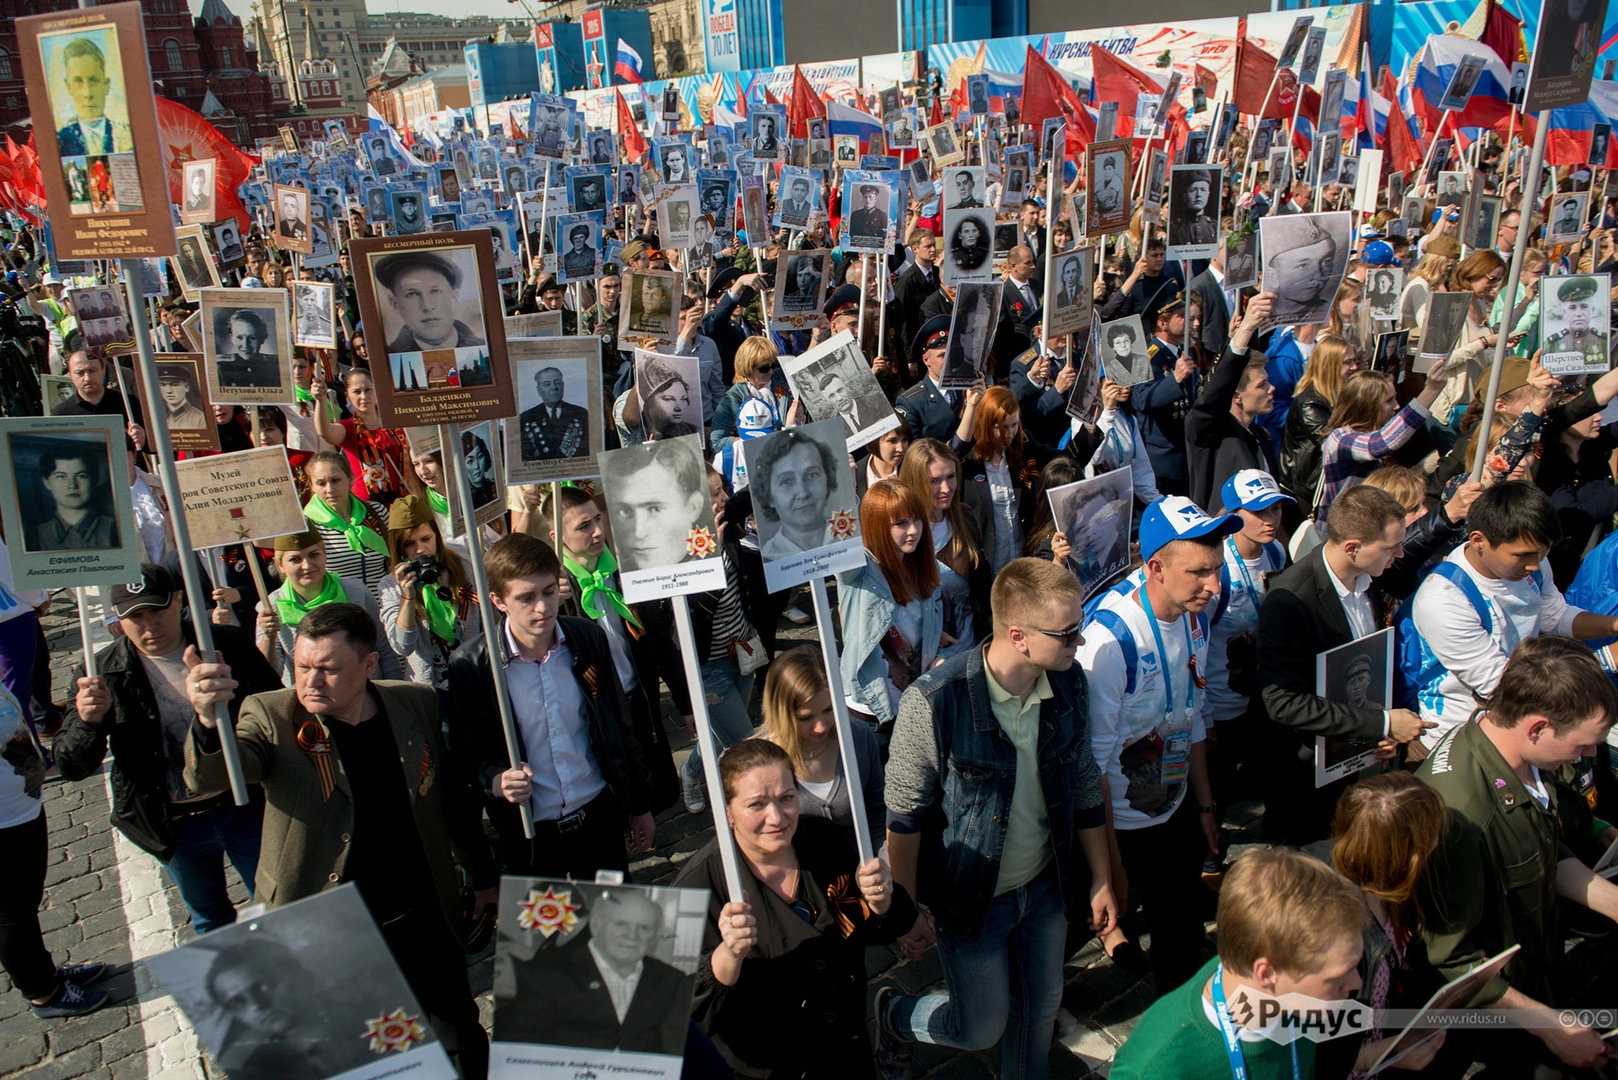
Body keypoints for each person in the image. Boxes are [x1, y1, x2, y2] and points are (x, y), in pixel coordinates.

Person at [183, 603, 497, 1080]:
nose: (310, 681)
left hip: (423, 915)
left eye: (328, 669)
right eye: (302, 666)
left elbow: (448, 800)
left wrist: (482, 875)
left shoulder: (415, 703)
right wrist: (210, 723)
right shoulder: (270, 715)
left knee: (460, 1036)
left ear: (369, 664)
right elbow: (216, 774)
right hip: (331, 928)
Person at [878, 558, 1117, 1080]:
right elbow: (904, 816)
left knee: (1038, 1014)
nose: (1080, 641)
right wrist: (905, 908)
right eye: (1068, 633)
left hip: (1047, 888)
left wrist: (1101, 878)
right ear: (1019, 637)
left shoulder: (1070, 684)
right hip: (972, 901)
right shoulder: (934, 703)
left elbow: (1082, 783)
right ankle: (895, 1014)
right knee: (980, 1028)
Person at [1418, 637, 1618, 1075]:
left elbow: (1535, 844)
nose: (1590, 755)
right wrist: (1551, 1029)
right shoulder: (1459, 817)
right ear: (1538, 728)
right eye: (1583, 745)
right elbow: (1452, 960)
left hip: (1532, 978)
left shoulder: (1511, 753)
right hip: (1482, 1029)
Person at [55, 565, 279, 934]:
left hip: (244, 807)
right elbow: (72, 764)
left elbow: (275, 709)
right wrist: (88, 722)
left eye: (156, 610)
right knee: (211, 919)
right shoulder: (101, 672)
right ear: (118, 619)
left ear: (177, 600)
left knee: (278, 902)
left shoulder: (224, 645)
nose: (149, 626)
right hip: (172, 822)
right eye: (135, 616)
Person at [678, 740, 912, 1075]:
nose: (776, 817)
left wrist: (882, 901)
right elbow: (678, 1014)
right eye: (756, 804)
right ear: (727, 811)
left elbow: (877, 926)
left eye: (786, 798)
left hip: (846, 1050)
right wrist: (727, 956)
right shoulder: (697, 887)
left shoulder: (824, 840)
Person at [1079, 498, 1235, 994]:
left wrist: (1204, 804)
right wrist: (1111, 867)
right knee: (1115, 916)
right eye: (1199, 572)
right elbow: (1093, 766)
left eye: (1217, 568)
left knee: (1182, 932)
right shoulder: (1109, 642)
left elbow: (1193, 712)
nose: (1214, 585)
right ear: (1155, 568)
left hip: (1175, 802)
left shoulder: (1197, 614)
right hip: (1124, 826)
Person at [447, 533, 657, 877]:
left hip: (598, 818)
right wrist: (496, 780)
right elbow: (467, 755)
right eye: (526, 598)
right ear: (498, 601)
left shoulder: (586, 639)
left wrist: (639, 805)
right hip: (532, 837)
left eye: (548, 592)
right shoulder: (472, 666)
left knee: (612, 912)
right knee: (551, 914)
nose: (543, 607)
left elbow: (620, 726)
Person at [1256, 485, 1433, 845]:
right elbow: (1284, 702)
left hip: (1360, 760)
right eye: (1391, 547)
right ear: (1352, 547)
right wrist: (1382, 723)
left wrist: (1379, 732)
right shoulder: (1290, 602)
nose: (1400, 554)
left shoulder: (1371, 579)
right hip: (1307, 783)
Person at [1108, 848, 1369, 1079]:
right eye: (1339, 975)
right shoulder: (1154, 1068)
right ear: (1267, 974)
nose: (1356, 983)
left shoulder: (1301, 1003)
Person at [1410, 482, 1618, 746]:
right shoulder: (1443, 600)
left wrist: (1614, 624)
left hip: (1526, 716)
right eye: (1523, 556)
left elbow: (1556, 617)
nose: (1535, 565)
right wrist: (1607, 658)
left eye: (1544, 552)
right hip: (1466, 734)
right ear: (1479, 540)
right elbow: (1504, 686)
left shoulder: (1533, 562)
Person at [544, 483, 682, 813]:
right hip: (598, 711)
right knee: (619, 794)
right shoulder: (555, 591)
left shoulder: (622, 572)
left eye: (597, 519)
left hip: (638, 697)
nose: (597, 531)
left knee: (657, 788)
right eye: (583, 526)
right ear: (556, 537)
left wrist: (686, 702)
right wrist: (552, 606)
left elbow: (659, 639)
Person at [498, 889, 688, 1053]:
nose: (632, 936)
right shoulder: (548, 974)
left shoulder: (672, 979)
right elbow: (518, 1045)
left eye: (644, 928)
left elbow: (675, 1044)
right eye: (620, 924)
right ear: (596, 926)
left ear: (655, 936)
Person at [837, 480, 945, 741]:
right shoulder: (860, 570)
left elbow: (923, 633)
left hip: (914, 704)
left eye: (917, 519)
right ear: (877, 525)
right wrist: (844, 492)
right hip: (869, 709)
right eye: (901, 523)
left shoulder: (923, 567)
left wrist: (938, 655)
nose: (913, 530)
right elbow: (840, 544)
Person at [760, 645, 884, 844]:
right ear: (780, 712)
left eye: (829, 709)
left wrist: (883, 858)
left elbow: (878, 814)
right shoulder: (756, 761)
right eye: (805, 717)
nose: (821, 727)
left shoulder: (859, 736)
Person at [258, 529, 399, 683]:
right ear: (280, 566)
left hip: (366, 690)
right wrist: (269, 638)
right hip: (312, 693)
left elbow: (384, 649)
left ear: (325, 555)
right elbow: (269, 673)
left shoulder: (356, 591)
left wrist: (391, 691)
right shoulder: (270, 607)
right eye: (295, 559)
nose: (307, 565)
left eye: (314, 555)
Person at [1317, 360, 1451, 520]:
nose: (1397, 405)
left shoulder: (1369, 432)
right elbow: (1381, 444)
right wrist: (1431, 390)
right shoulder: (1339, 439)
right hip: (1340, 528)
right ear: (1368, 404)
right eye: (1389, 400)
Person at [377, 496, 480, 691]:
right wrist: (407, 596)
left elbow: (488, 623)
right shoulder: (389, 586)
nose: (420, 550)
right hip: (431, 689)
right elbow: (403, 646)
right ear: (399, 547)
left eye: (426, 539)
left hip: (474, 677)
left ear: (437, 536)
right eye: (409, 543)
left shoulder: (462, 567)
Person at [1186, 294, 1276, 513]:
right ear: (1236, 396)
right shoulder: (1210, 431)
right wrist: (1245, 330)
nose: (1271, 388)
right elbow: (1213, 397)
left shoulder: (1259, 434)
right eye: (1262, 384)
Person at [309, 367, 407, 505]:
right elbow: (325, 432)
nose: (364, 396)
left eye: (368, 390)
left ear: (376, 390)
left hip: (405, 500)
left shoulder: (395, 422)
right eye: (357, 392)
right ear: (347, 396)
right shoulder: (348, 428)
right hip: (369, 506)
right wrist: (320, 400)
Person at [300, 451, 391, 598]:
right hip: (340, 608)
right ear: (312, 486)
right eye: (321, 483)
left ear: (350, 479)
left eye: (336, 480)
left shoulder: (377, 512)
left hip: (384, 606)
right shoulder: (308, 525)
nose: (330, 490)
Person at [753, 427, 841, 558]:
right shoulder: (769, 558)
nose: (803, 493)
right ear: (769, 495)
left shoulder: (850, 538)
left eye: (812, 475)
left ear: (827, 478)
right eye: (787, 481)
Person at [376, 251, 485, 353]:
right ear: (395, 304)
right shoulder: (387, 357)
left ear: (455, 297)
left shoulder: (485, 347)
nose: (427, 306)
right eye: (412, 294)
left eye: (435, 291)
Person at [29, 444, 118, 551]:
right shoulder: (35, 535)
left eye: (81, 476)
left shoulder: (115, 529)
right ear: (46, 482)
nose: (72, 485)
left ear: (94, 480)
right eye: (62, 476)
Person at [54, 38, 132, 156]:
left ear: (106, 85)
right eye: (78, 81)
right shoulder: (60, 142)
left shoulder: (126, 135)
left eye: (93, 81)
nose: (87, 93)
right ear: (69, 87)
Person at [895, 316, 962, 442]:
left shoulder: (967, 390)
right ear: (926, 360)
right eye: (943, 356)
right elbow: (913, 450)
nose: (950, 361)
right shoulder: (911, 402)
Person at [1266, 216, 1341, 326]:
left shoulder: (1332, 318)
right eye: (1302, 266)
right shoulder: (1261, 315)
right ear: (1272, 276)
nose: (1318, 274)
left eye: (1326, 263)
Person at [215, 310, 282, 389]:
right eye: (240, 337)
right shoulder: (221, 366)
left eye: (252, 338)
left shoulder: (277, 365)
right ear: (231, 337)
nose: (245, 345)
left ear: (263, 338)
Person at [1169, 168, 1216, 248]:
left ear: (1208, 194)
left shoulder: (1213, 226)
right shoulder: (1174, 228)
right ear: (1184, 195)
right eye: (1193, 190)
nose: (1198, 195)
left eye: (1203, 190)